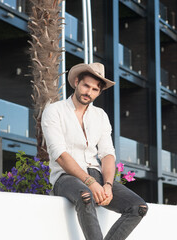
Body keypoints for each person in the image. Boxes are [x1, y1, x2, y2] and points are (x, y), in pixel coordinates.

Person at [41, 62, 148, 240]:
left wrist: (107, 184)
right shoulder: (54, 111)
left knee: (138, 207)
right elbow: (60, 155)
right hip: (66, 177)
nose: (88, 92)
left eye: (94, 89)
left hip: (97, 176)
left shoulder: (100, 116)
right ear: (76, 82)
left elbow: (107, 154)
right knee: (86, 197)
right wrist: (90, 182)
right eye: (86, 86)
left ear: (99, 92)